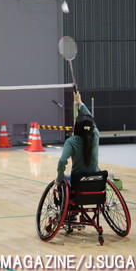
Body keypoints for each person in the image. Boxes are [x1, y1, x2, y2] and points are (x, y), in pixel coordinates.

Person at [54, 92, 100, 221]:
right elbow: (91, 120)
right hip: (97, 179)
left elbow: (62, 161)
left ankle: (70, 214)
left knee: (62, 184)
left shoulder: (71, 141)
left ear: (76, 128)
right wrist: (80, 103)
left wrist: (59, 178)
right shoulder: (95, 134)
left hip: (78, 182)